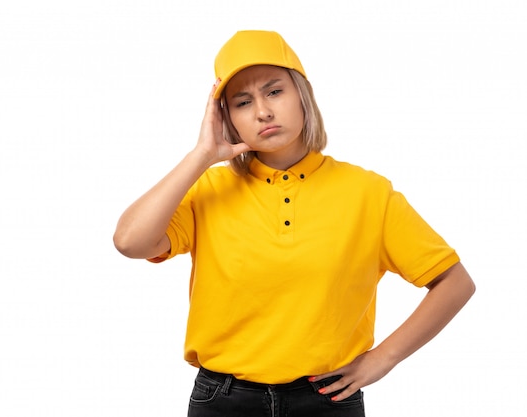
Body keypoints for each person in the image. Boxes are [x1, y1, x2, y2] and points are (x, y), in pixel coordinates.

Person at [113, 30, 475, 417]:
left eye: (274, 92)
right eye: (242, 102)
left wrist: (383, 358)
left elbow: (454, 283)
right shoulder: (208, 190)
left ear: (303, 95)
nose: (262, 112)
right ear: (226, 118)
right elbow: (130, 242)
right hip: (222, 400)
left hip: (328, 399)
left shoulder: (368, 193)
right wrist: (202, 155)